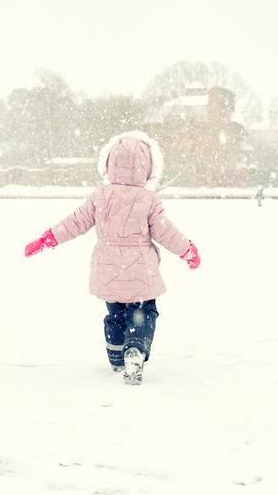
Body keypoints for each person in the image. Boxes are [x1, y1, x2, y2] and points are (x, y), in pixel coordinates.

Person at [23, 131, 200, 385]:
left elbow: (74, 223)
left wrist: (47, 239)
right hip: (141, 273)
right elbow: (166, 231)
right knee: (143, 312)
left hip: (107, 271)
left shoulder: (100, 197)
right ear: (147, 168)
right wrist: (188, 251)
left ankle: (117, 356)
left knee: (115, 313)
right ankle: (135, 349)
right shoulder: (148, 200)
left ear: (109, 164)